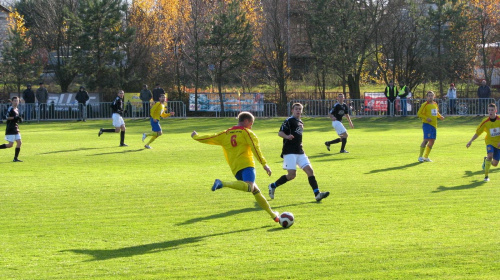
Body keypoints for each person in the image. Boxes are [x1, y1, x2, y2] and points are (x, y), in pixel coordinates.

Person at [191, 112, 280, 223]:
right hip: (247, 165)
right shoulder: (247, 133)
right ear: (246, 121)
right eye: (251, 124)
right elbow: (255, 148)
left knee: (256, 191)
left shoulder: (225, 134)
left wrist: (196, 136)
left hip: (235, 168)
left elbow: (210, 138)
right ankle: (222, 183)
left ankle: (274, 216)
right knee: (250, 187)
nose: (251, 127)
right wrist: (264, 164)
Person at [268, 103, 330, 202]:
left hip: (300, 151)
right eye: (296, 109)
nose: (298, 111)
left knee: (310, 171)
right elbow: (280, 133)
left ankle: (317, 194)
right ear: (292, 110)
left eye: (300, 109)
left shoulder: (300, 122)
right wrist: (287, 136)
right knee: (291, 175)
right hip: (289, 152)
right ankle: (272, 186)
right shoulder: (288, 121)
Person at [466, 103, 500, 182]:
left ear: (496, 110)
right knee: (490, 155)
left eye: (492, 110)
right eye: (489, 110)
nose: (490, 112)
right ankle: (486, 176)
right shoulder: (485, 122)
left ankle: (486, 160)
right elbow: (478, 132)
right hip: (489, 142)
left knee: (495, 164)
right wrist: (470, 141)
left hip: (498, 144)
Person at [417, 91, 444, 162]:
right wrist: (426, 118)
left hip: (434, 125)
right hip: (427, 125)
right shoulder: (424, 104)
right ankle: (420, 157)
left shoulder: (435, 104)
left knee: (432, 141)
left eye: (432, 95)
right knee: (426, 140)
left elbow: (436, 112)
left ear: (434, 96)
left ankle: (426, 157)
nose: (430, 97)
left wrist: (440, 116)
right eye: (429, 96)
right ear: (427, 97)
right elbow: (419, 114)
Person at [0, 97, 23, 162]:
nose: (16, 102)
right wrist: (14, 117)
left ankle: (15, 158)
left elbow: (16, 119)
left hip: (16, 128)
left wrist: (19, 119)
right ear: (12, 101)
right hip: (10, 128)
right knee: (10, 145)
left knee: (19, 142)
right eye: (15, 101)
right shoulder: (10, 108)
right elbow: (6, 117)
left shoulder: (17, 109)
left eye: (17, 101)